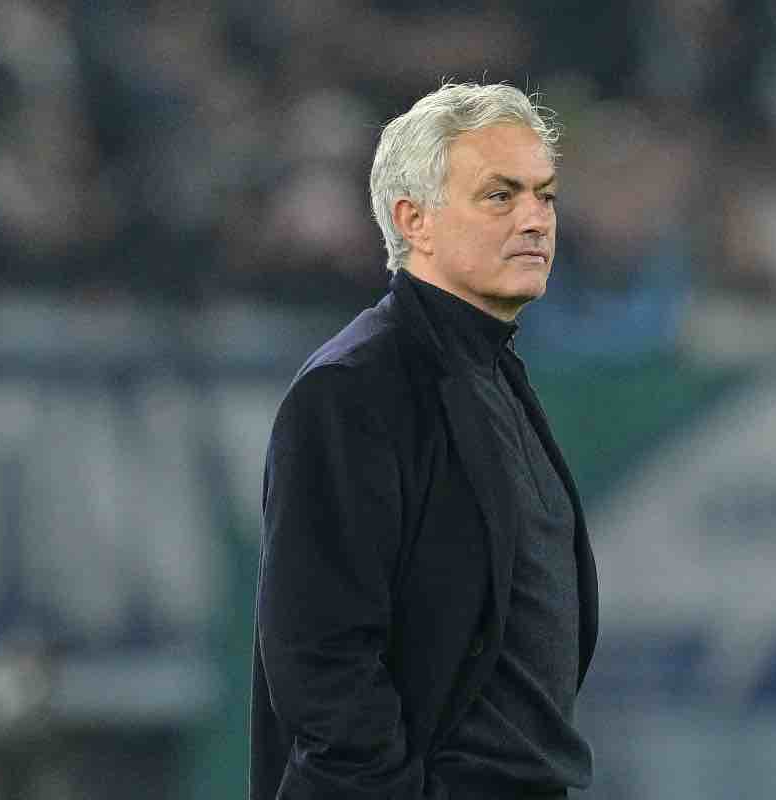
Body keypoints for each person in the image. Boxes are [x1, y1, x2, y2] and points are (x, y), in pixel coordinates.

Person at [250, 82, 598, 800]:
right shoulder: (354, 388)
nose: (535, 219)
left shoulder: (492, 373)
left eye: (545, 196)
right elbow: (320, 657)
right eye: (500, 196)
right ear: (415, 220)